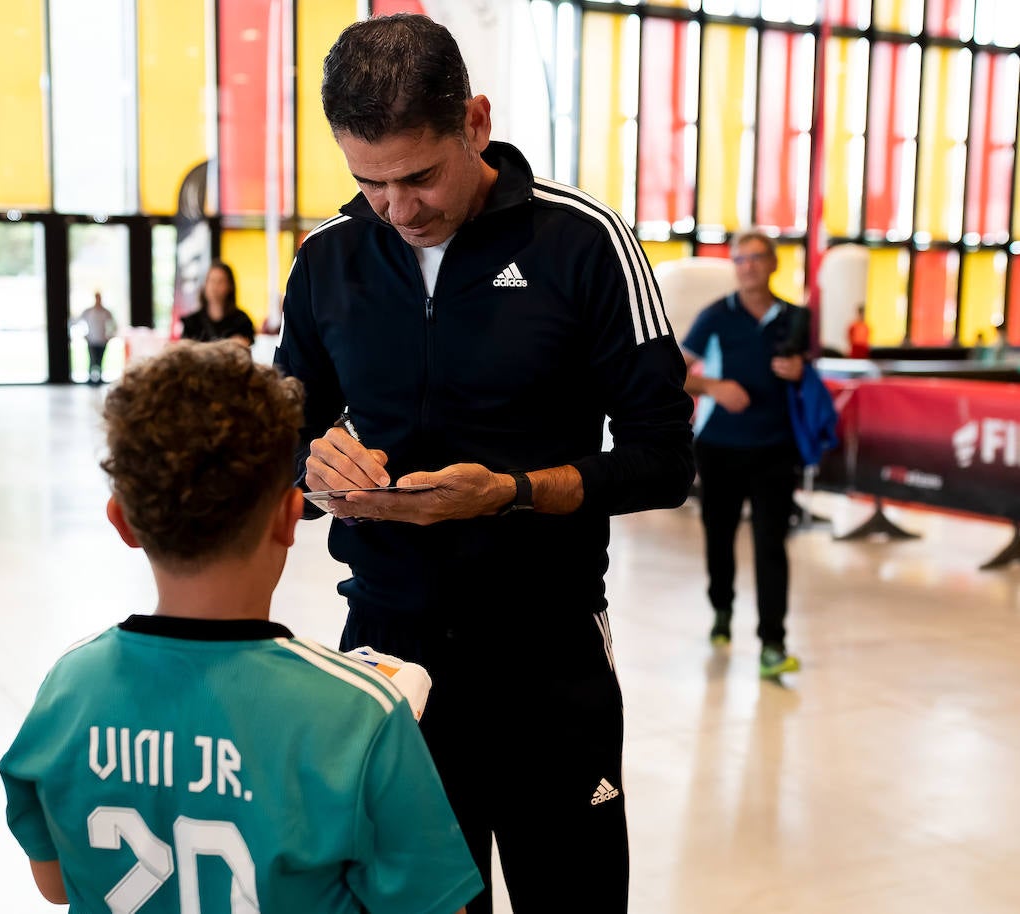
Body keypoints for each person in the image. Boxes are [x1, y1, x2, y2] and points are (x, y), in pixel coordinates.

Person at [273, 14, 695, 913]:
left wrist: (506, 495)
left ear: (475, 121)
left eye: (419, 176)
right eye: (369, 182)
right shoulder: (328, 258)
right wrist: (318, 473)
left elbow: (664, 461)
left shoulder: (582, 243)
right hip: (389, 661)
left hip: (548, 653)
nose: (397, 209)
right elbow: (285, 458)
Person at [0, 341, 482, 913]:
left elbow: (55, 885)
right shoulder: (360, 716)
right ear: (288, 514)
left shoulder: (69, 690)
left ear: (123, 521)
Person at [680, 229, 806, 679]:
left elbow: (810, 377)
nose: (748, 266)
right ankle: (722, 610)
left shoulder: (795, 317)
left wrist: (800, 369)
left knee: (772, 544)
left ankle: (773, 642)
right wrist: (715, 387)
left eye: (756, 257)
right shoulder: (716, 315)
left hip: (776, 449)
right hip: (720, 448)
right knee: (720, 535)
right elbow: (674, 371)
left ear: (773, 263)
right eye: (740, 259)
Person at [180, 261, 256, 346]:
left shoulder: (242, 321)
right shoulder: (191, 322)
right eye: (211, 281)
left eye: (220, 281)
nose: (214, 287)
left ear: (230, 286)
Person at [75, 291, 119, 385]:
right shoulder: (88, 311)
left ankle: (99, 379)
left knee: (100, 360)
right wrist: (84, 335)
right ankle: (91, 379)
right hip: (91, 340)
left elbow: (114, 325)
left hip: (102, 340)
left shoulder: (106, 312)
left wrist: (110, 336)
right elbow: (78, 322)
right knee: (92, 360)